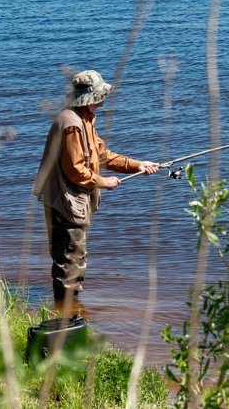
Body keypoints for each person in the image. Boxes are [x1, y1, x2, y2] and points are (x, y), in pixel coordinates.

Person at [33, 70, 159, 301]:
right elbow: (75, 170)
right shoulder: (72, 124)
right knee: (70, 260)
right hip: (64, 201)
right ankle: (66, 317)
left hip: (69, 199)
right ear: (91, 97)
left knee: (73, 257)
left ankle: (69, 311)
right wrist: (103, 181)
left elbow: (102, 155)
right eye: (102, 95)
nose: (104, 99)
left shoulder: (84, 118)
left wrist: (138, 165)